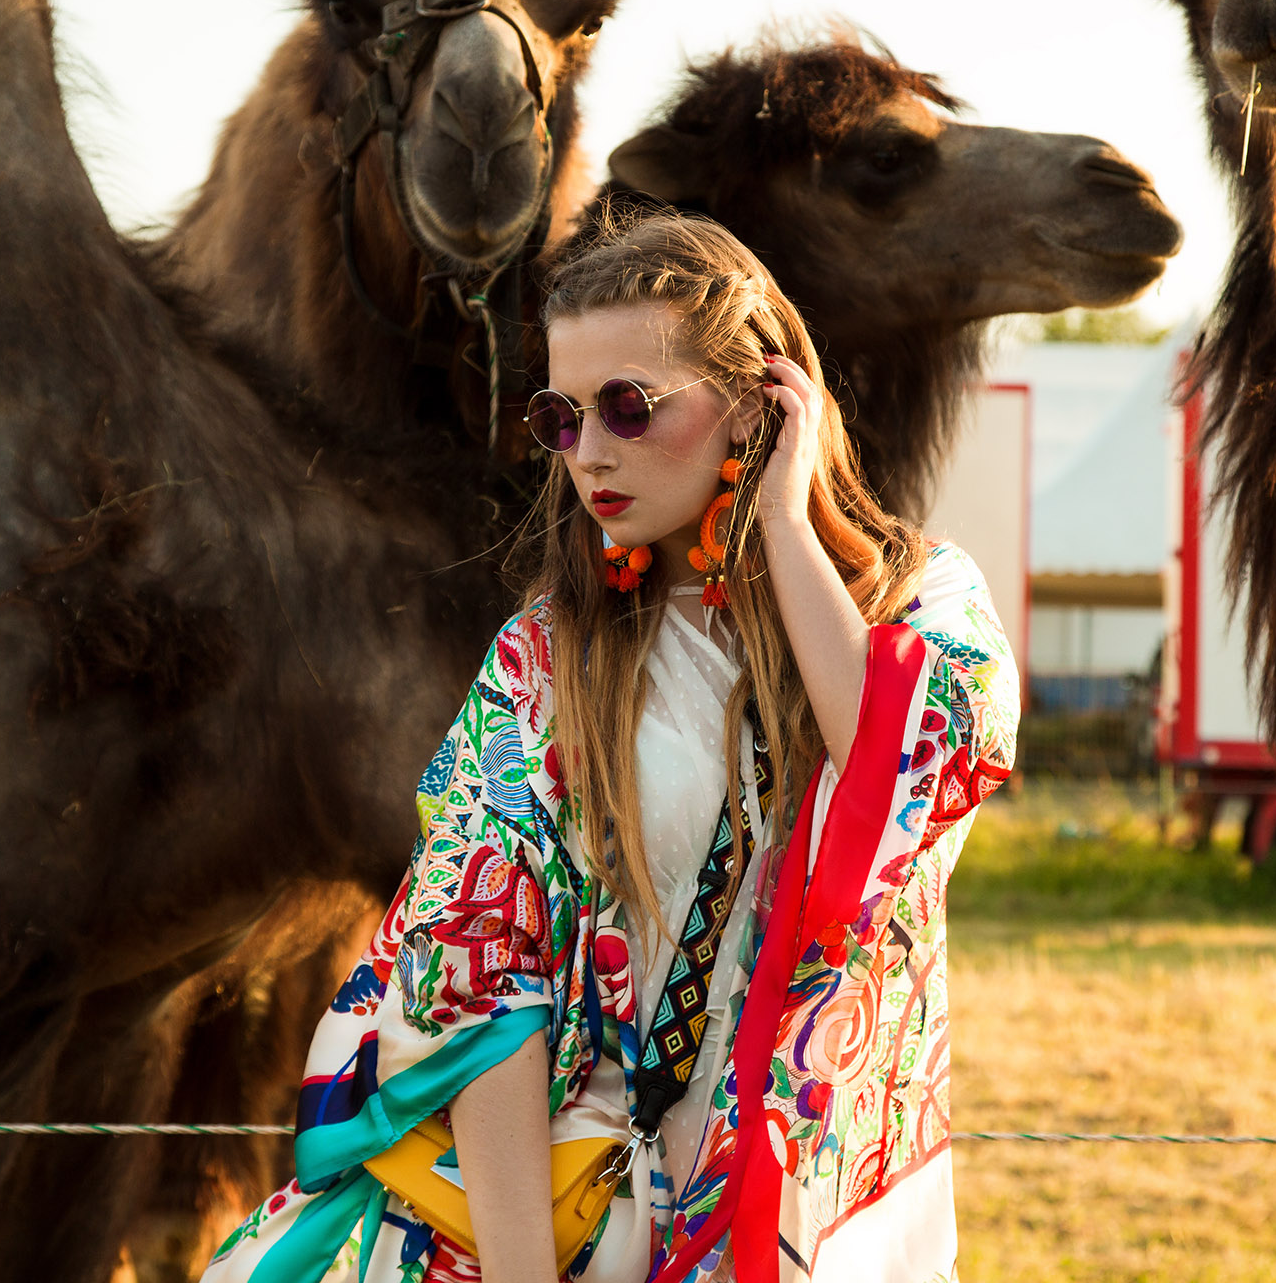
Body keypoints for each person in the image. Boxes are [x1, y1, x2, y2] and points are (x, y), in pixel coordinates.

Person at [201, 211, 1018, 1283]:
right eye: (561, 415)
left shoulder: (922, 603)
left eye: (630, 406)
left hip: (827, 1219)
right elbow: (483, 984)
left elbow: (896, 771)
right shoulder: (545, 660)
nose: (590, 452)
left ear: (757, 399)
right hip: (586, 1220)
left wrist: (781, 516)